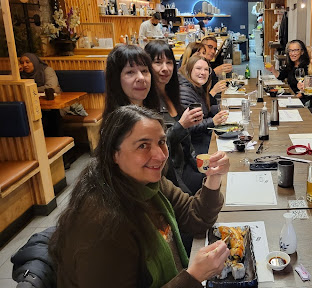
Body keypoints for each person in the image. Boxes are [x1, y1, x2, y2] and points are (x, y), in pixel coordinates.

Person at [50, 105, 231, 287]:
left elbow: (197, 217)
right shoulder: (102, 223)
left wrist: (213, 176)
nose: (160, 156)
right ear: (114, 154)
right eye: (143, 146)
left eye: (161, 142)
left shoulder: (148, 184)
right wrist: (193, 276)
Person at [145, 40, 205, 195]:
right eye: (158, 62)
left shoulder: (171, 94)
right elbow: (157, 148)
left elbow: (186, 144)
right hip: (171, 174)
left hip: (186, 164)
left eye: (169, 62)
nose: (165, 68)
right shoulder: (146, 101)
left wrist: (198, 163)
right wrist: (182, 125)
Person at [178, 55, 228, 154]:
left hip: (201, 138)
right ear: (189, 70)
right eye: (198, 68)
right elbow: (191, 126)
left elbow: (205, 111)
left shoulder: (197, 86)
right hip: (194, 147)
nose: (203, 72)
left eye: (206, 69)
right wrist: (213, 121)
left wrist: (221, 108)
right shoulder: (185, 91)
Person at [102, 44, 160, 120]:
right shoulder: (120, 123)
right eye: (130, 72)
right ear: (115, 79)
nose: (141, 78)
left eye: (144, 71)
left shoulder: (150, 110)